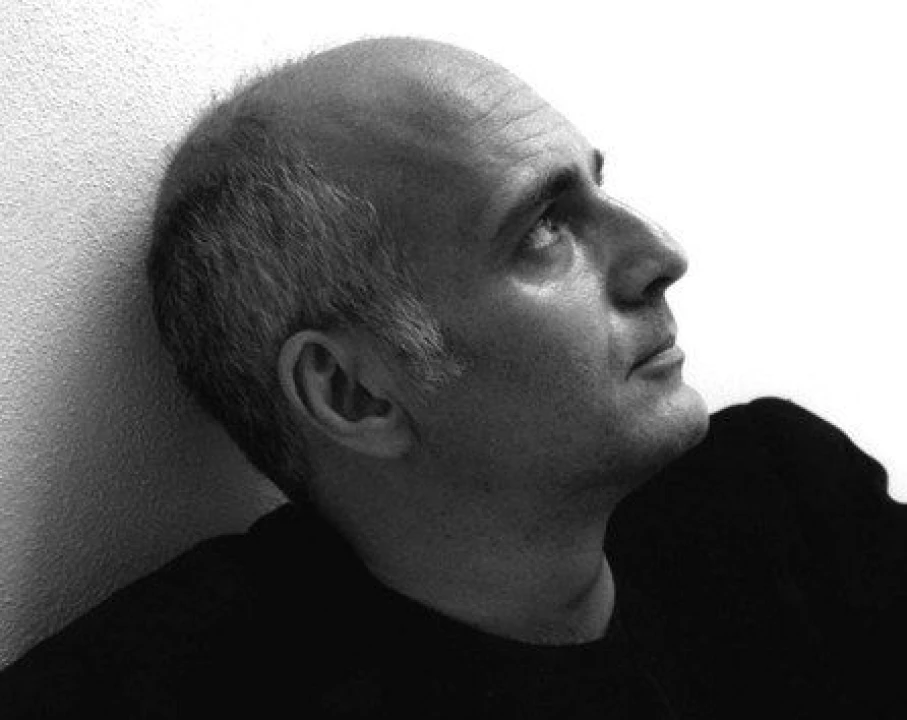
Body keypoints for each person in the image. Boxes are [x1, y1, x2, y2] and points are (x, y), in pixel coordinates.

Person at [1, 36, 905, 719]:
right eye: (541, 228)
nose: (660, 257)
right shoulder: (166, 691)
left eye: (597, 191)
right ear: (353, 393)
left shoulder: (781, 494)